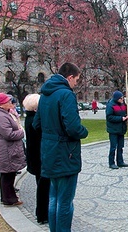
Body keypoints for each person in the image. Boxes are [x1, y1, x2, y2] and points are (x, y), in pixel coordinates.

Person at [33, 62, 88, 232]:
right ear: (70, 77)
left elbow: (36, 124)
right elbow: (72, 127)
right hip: (65, 153)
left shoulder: (44, 95)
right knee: (64, 201)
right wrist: (83, 131)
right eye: (76, 80)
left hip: (49, 151)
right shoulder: (66, 94)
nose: (76, 84)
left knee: (54, 198)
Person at [0, 92, 26, 206]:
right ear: (1, 104)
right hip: (5, 149)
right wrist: (21, 132)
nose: (10, 103)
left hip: (6, 149)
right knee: (7, 175)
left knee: (8, 174)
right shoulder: (0, 116)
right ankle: (9, 199)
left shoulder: (2, 113)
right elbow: (8, 134)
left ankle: (7, 198)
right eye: (8, 101)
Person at [23, 93, 50, 224]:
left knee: (41, 185)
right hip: (39, 158)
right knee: (43, 187)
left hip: (35, 157)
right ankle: (42, 214)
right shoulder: (35, 120)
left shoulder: (30, 118)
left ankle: (42, 212)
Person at [106, 91, 128, 169]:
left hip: (121, 129)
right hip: (113, 129)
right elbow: (109, 117)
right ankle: (111, 163)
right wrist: (121, 118)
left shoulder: (123, 104)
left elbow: (125, 113)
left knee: (120, 146)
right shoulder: (110, 105)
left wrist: (127, 116)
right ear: (117, 98)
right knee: (113, 147)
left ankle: (120, 162)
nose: (122, 99)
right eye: (121, 98)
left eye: (122, 97)